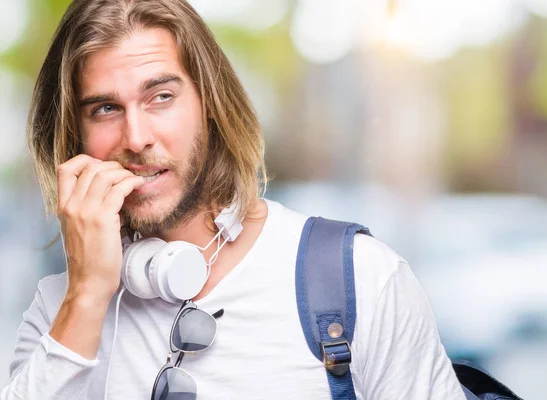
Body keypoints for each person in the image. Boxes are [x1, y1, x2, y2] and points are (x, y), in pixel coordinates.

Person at [1, 1, 466, 399]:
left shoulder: (360, 279)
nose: (136, 137)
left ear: (211, 105)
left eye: (161, 96)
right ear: (75, 137)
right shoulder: (58, 307)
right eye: (105, 109)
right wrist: (86, 298)